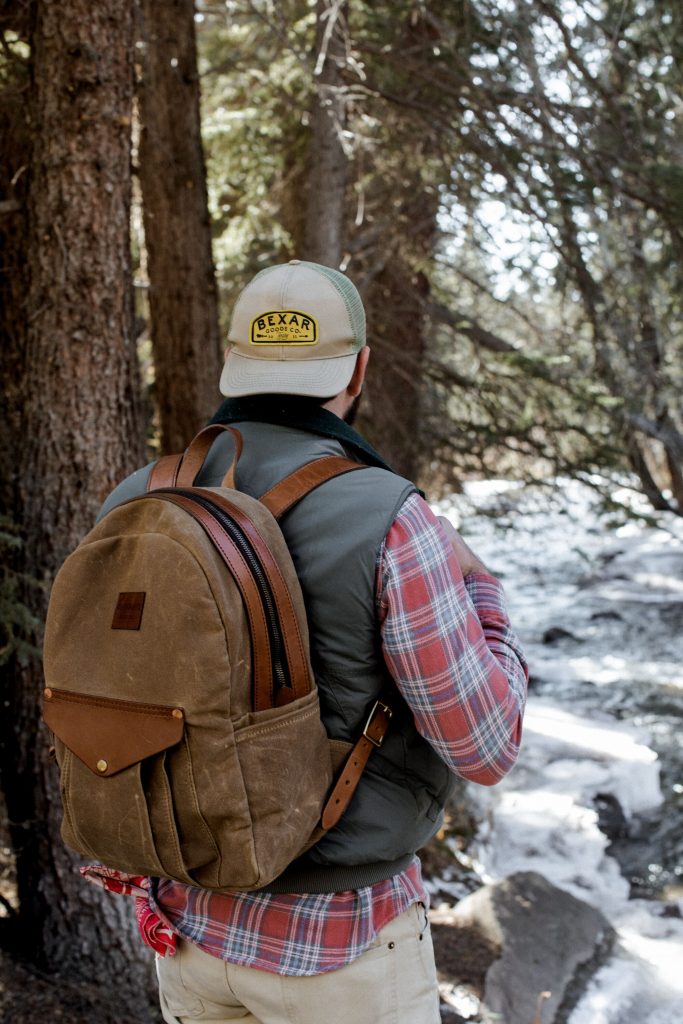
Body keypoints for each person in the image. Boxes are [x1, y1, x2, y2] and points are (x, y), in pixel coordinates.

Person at [94, 259, 528, 1024]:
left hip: (188, 932)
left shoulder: (138, 497)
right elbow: (485, 746)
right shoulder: (391, 518)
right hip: (341, 949)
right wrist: (483, 594)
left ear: (234, 362)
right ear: (358, 367)